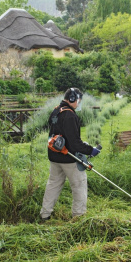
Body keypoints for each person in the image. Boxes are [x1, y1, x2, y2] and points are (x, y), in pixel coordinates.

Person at [39, 88, 100, 221]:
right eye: (78, 101)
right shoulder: (70, 115)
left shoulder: (56, 111)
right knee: (79, 185)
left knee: (53, 185)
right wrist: (91, 150)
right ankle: (78, 217)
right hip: (69, 159)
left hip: (54, 157)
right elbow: (75, 143)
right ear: (73, 99)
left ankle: (45, 215)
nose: (78, 104)